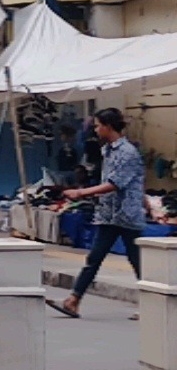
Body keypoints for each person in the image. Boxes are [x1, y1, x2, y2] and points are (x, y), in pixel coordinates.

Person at [49, 108, 146, 319]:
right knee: (94, 258)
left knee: (137, 260)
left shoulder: (127, 153)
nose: (95, 129)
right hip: (109, 214)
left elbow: (114, 184)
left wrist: (81, 193)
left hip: (127, 216)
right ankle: (73, 300)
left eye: (97, 125)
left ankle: (152, 305)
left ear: (108, 126)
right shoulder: (108, 150)